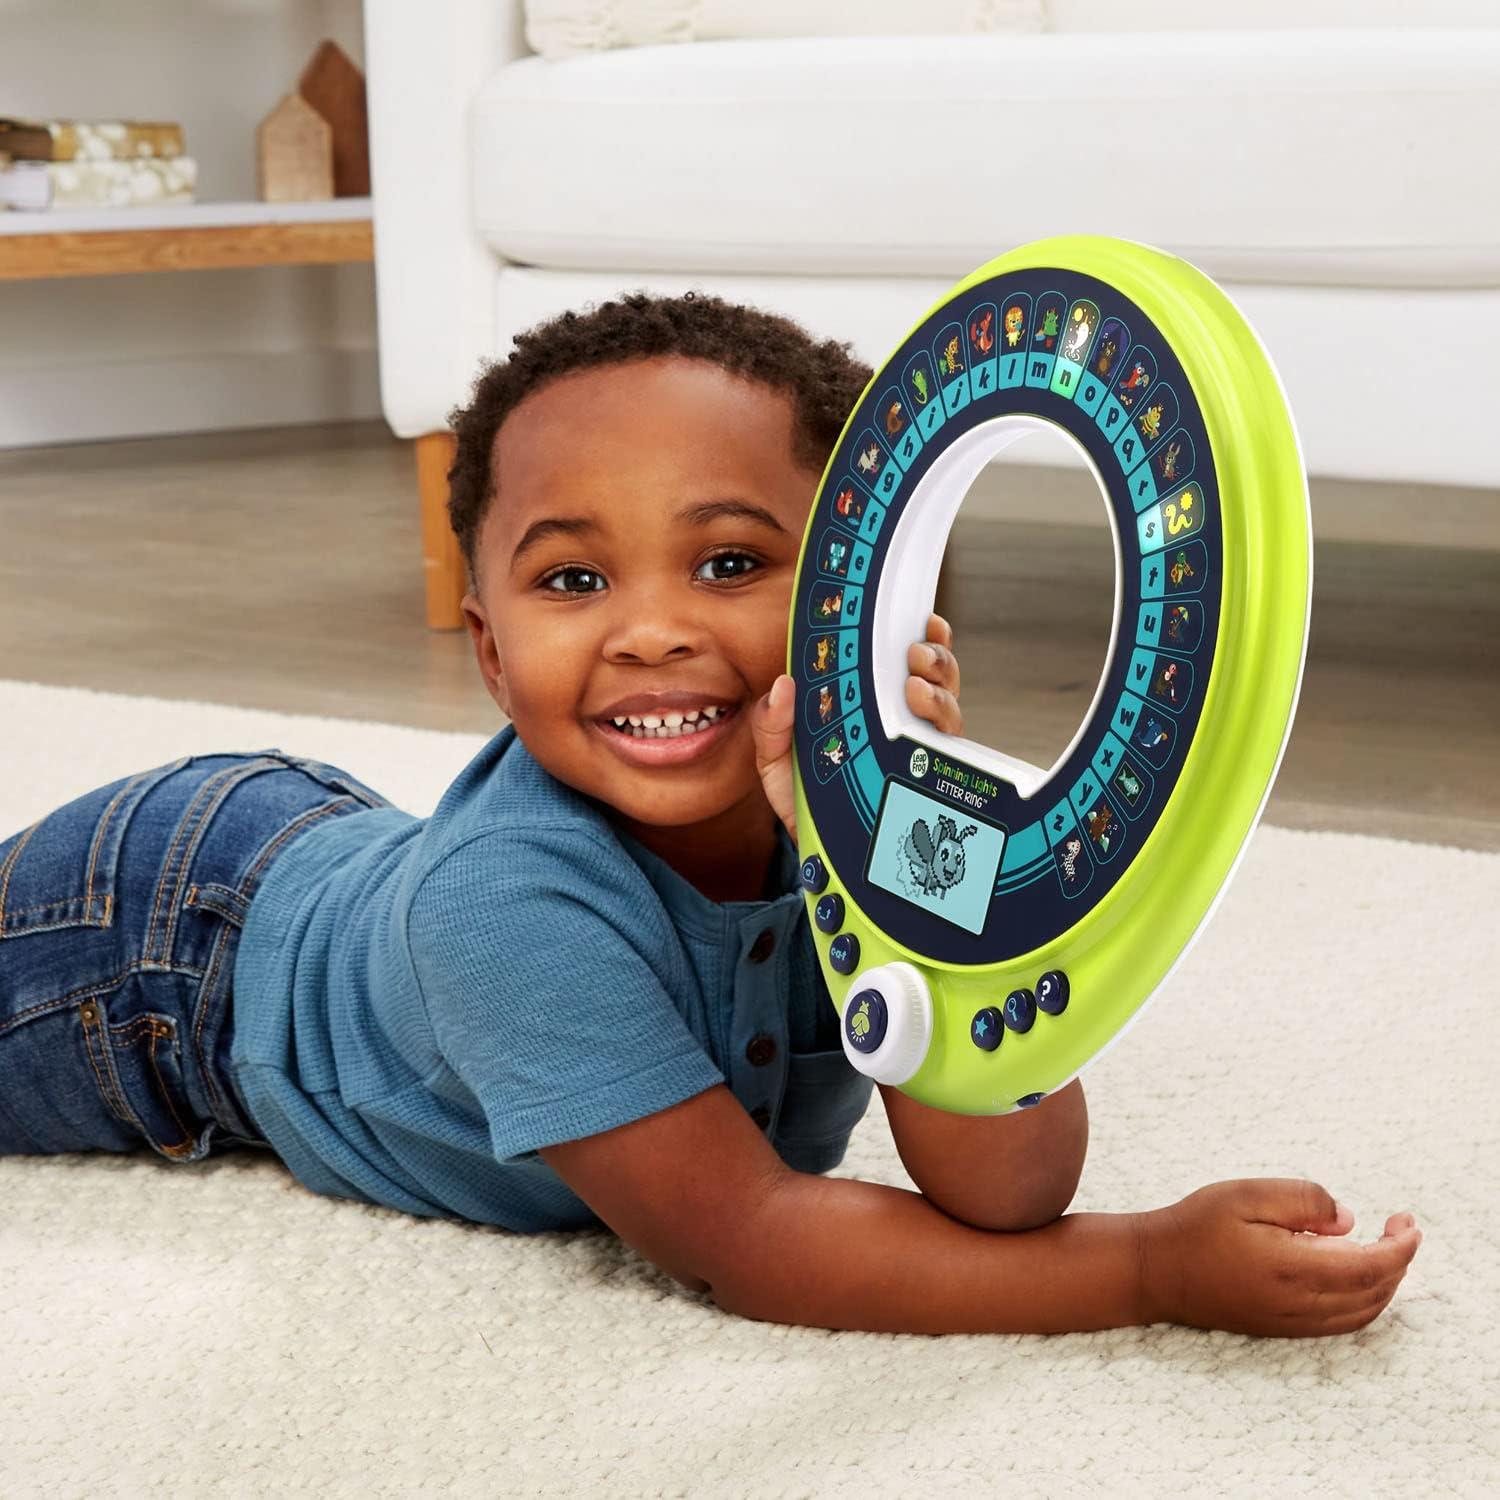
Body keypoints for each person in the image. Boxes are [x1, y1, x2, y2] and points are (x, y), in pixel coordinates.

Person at [0, 292, 1421, 1339]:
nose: (651, 632)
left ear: (869, 602)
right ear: (491, 653)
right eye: (573, 582)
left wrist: (892, 842)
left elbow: (1010, 1184)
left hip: (328, 865)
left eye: (731, 562)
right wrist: (1149, 1272)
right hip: (158, 951)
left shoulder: (864, 819)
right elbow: (746, 1239)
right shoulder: (506, 903)